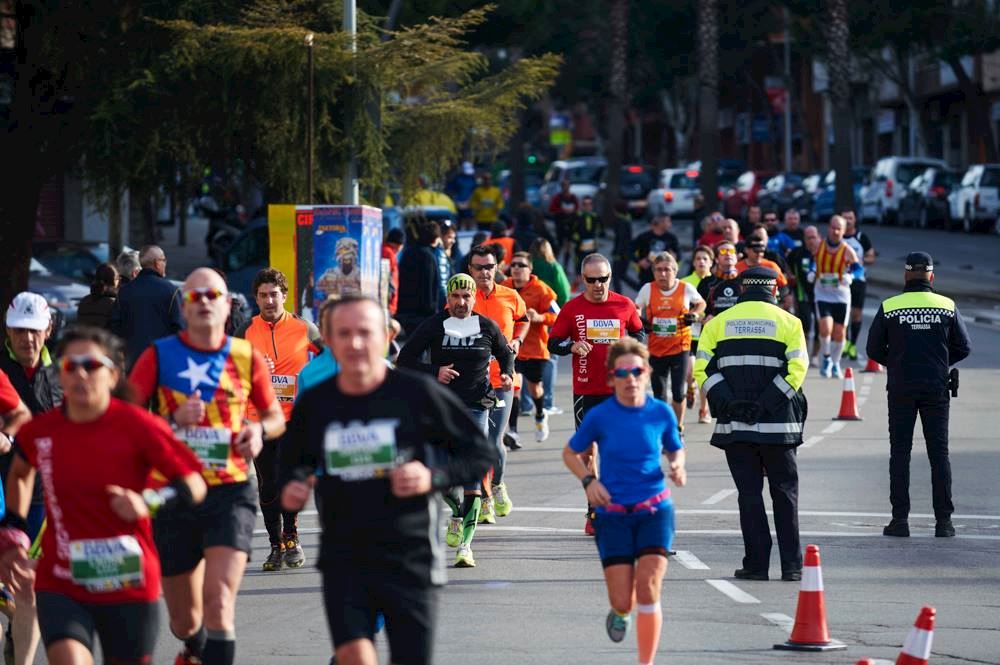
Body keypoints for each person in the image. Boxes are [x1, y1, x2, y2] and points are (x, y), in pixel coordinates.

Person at [278, 295, 495, 665]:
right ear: (328, 339)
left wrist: (432, 476)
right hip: (344, 555)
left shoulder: (417, 394)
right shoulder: (317, 402)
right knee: (353, 657)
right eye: (343, 334)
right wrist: (296, 484)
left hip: (409, 556)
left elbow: (480, 454)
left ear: (385, 336)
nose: (355, 343)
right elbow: (292, 460)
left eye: (365, 332)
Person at [0, 326, 206, 665]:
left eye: (91, 366)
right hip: (62, 579)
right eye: (70, 366)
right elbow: (21, 471)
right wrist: (15, 528)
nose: (80, 373)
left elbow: (194, 482)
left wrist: (147, 502)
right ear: (60, 376)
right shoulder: (42, 431)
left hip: (128, 580)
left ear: (111, 374)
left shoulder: (140, 426)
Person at [129, 268, 286, 665]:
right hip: (174, 492)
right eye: (194, 296)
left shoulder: (244, 355)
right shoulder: (158, 355)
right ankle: (194, 644)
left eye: (212, 295)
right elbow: (124, 420)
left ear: (227, 304)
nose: (203, 303)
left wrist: (257, 431)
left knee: (218, 603)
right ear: (183, 306)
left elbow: (274, 416)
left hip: (230, 488)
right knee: (184, 619)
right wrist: (171, 421)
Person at [562, 338, 686, 664]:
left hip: (654, 510)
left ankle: (645, 662)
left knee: (648, 588)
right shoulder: (600, 416)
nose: (631, 379)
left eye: (637, 371)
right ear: (611, 378)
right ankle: (620, 611)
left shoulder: (661, 412)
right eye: (623, 373)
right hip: (613, 515)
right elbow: (571, 452)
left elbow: (674, 446)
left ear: (646, 373)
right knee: (623, 598)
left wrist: (677, 464)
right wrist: (589, 481)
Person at [694, 267, 807, 582]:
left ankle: (756, 565)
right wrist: (766, 405)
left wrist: (731, 403)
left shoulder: (717, 324)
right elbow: (796, 372)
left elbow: (702, 369)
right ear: (774, 290)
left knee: (749, 494)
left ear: (742, 289)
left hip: (736, 426)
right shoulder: (790, 323)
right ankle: (792, 566)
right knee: (784, 493)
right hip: (778, 426)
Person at [397, 274, 511, 567]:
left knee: (472, 475)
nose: (461, 303)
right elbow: (405, 359)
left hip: (476, 407)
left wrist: (508, 373)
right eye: (456, 297)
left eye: (466, 297)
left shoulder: (486, 326)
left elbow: (504, 351)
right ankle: (457, 512)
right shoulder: (434, 325)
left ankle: (465, 547)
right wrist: (435, 371)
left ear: (474, 298)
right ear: (448, 299)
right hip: (440, 409)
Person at [866, 252, 971, 539]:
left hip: (901, 387)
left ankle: (900, 521)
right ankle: (944, 523)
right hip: (936, 388)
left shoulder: (890, 306)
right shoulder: (946, 306)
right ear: (932, 277)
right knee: (939, 454)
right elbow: (964, 346)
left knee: (900, 453)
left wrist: (898, 362)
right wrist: (939, 362)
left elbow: (873, 350)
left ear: (905, 276)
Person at [548, 253, 645, 534]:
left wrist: (628, 343)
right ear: (583, 279)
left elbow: (640, 334)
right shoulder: (572, 308)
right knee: (589, 453)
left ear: (610, 277)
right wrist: (572, 347)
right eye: (591, 280)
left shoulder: (624, 304)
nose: (598, 285)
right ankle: (595, 511)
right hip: (587, 390)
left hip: (621, 392)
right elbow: (554, 342)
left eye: (603, 279)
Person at [235, 268, 322, 572]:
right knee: (268, 485)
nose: (269, 300)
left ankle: (291, 536)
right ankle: (274, 545)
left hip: (294, 421)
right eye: (263, 295)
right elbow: (229, 371)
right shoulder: (245, 330)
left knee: (292, 480)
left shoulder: (304, 328)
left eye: (274, 294)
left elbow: (329, 358)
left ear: (284, 295)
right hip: (258, 421)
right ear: (256, 298)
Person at [0, 293, 64, 665]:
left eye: (34, 331)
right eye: (20, 331)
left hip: (38, 496)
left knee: (28, 589)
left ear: (48, 329)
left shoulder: (63, 376)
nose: (27, 339)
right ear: (8, 330)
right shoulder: (1, 371)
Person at [468, 245, 528, 519]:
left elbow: (523, 320)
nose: (484, 272)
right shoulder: (463, 297)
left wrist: (517, 340)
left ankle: (497, 482)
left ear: (496, 268)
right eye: (478, 267)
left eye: (489, 267)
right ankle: (485, 500)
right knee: (478, 444)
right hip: (472, 382)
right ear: (470, 269)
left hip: (503, 379)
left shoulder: (511, 295)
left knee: (494, 443)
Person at [633, 253, 705, 431]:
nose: (663, 274)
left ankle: (678, 427)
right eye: (658, 270)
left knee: (678, 393)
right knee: (659, 394)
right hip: (656, 350)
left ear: (675, 271)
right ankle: (663, 428)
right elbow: (635, 308)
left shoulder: (685, 288)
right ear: (653, 271)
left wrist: (694, 314)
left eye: (667, 270)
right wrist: (641, 322)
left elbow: (701, 303)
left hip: (680, 347)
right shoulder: (647, 289)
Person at [503, 252, 560, 442]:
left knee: (535, 388)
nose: (517, 268)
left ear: (530, 269)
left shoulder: (541, 290)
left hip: (536, 348)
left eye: (521, 265)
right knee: (514, 386)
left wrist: (540, 317)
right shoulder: (504, 288)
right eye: (514, 265)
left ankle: (540, 415)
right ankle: (512, 431)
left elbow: (558, 316)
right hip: (512, 347)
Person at [110, 245, 182, 370]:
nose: (165, 263)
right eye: (163, 260)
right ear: (157, 263)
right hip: (162, 360)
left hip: (133, 362)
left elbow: (115, 327)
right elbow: (180, 328)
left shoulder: (124, 292)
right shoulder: (172, 291)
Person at [812, 215, 860, 378]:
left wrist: (851, 276)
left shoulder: (847, 250)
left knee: (839, 332)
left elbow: (858, 269)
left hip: (841, 295)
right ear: (828, 228)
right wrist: (812, 271)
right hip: (822, 293)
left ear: (844, 231)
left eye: (839, 228)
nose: (835, 231)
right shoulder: (819, 245)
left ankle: (836, 362)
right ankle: (826, 358)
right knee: (825, 327)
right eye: (833, 227)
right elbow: (813, 261)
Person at [681, 246, 714, 423]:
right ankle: (690, 387)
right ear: (693, 262)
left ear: (711, 262)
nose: (701, 262)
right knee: (690, 373)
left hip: (708, 336)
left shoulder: (716, 282)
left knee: (705, 374)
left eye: (705, 259)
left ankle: (704, 410)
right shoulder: (685, 283)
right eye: (698, 258)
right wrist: (696, 315)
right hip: (690, 334)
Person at [396, 221, 447, 337]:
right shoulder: (428, 256)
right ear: (435, 238)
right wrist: (433, 311)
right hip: (422, 314)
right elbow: (429, 286)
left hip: (405, 310)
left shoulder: (408, 252)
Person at [842, 210, 876, 361]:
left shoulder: (862, 238)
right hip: (841, 281)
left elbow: (871, 256)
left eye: (850, 218)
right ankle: (844, 342)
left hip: (858, 281)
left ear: (855, 220)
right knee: (843, 314)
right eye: (845, 218)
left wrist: (860, 261)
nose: (848, 221)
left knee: (856, 314)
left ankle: (853, 345)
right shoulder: (837, 237)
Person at [787, 226, 821, 365]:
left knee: (820, 327)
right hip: (803, 295)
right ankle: (805, 355)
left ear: (818, 237)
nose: (811, 241)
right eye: (808, 238)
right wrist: (790, 275)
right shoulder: (797, 253)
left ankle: (815, 356)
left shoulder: (823, 252)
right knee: (805, 326)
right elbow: (786, 264)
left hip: (821, 296)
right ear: (804, 239)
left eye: (814, 237)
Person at [735, 226, 792, 310]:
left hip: (769, 306)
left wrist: (779, 298)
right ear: (746, 250)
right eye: (755, 250)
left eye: (761, 250)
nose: (759, 254)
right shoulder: (737, 267)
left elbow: (784, 287)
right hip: (744, 306)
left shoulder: (772, 266)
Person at [632, 214, 680, 286]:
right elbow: (629, 250)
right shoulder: (644, 237)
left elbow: (678, 254)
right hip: (647, 276)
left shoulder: (671, 238)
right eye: (668, 221)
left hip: (665, 276)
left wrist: (675, 257)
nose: (670, 224)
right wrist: (639, 261)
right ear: (660, 222)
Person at [697, 241, 741, 318]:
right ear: (716, 259)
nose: (728, 254)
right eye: (723, 251)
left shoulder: (745, 281)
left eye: (731, 251)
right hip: (715, 328)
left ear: (736, 257)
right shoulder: (707, 282)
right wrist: (703, 318)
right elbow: (695, 307)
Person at [77, 263, 119, 329]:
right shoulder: (115, 303)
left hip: (86, 337)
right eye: (118, 278)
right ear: (114, 280)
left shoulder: (84, 301)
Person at [568, 195, 601, 279]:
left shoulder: (595, 216)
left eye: (589, 204)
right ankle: (578, 277)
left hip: (592, 243)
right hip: (581, 243)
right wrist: (576, 240)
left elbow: (600, 229)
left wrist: (596, 238)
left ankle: (591, 276)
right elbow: (571, 230)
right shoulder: (577, 216)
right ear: (582, 205)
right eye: (585, 204)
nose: (587, 206)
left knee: (592, 260)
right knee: (580, 260)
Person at [548, 179, 580, 265]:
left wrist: (573, 212)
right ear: (561, 187)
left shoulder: (573, 198)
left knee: (569, 246)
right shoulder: (557, 198)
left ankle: (566, 265)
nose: (565, 188)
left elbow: (577, 210)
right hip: (560, 224)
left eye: (567, 186)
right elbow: (551, 209)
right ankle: (555, 263)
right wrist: (562, 210)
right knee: (559, 245)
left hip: (571, 224)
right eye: (564, 186)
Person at [610, 201, 638, 294]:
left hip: (621, 254)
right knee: (622, 275)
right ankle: (639, 288)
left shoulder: (621, 222)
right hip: (626, 252)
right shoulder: (626, 220)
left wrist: (617, 253)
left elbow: (621, 239)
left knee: (616, 276)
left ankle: (619, 295)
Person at [445, 161, 478, 230]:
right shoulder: (457, 179)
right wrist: (456, 202)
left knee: (469, 220)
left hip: (469, 204)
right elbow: (451, 190)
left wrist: (470, 202)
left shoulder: (472, 179)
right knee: (458, 221)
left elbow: (475, 192)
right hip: (458, 204)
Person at [382, 228, 405, 317]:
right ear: (400, 245)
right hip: (388, 304)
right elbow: (391, 281)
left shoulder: (382, 249)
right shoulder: (389, 254)